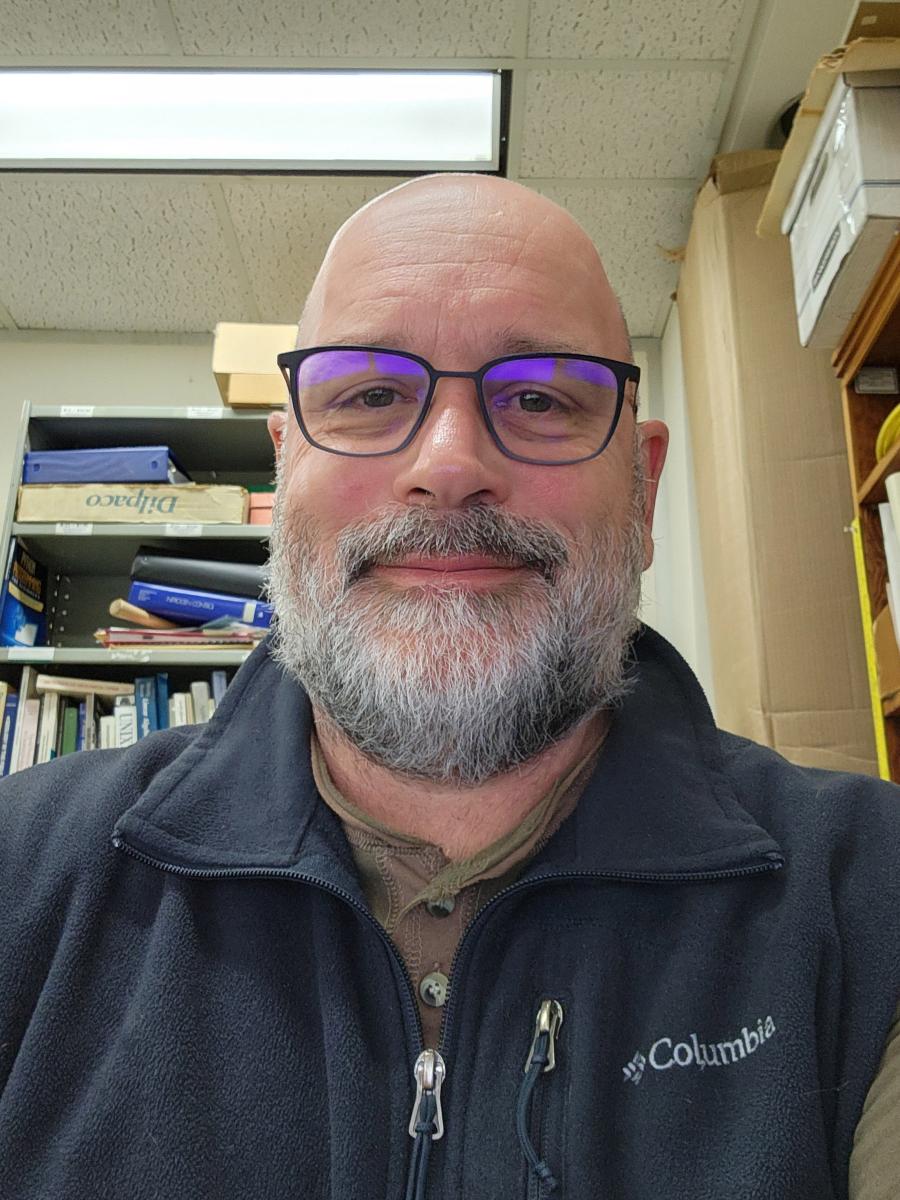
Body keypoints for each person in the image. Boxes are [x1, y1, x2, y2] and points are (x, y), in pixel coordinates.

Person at [0, 174, 898, 1200]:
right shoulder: (21, 873)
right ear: (285, 472)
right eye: (373, 395)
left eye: (539, 396)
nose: (451, 463)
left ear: (642, 491)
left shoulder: (870, 897)